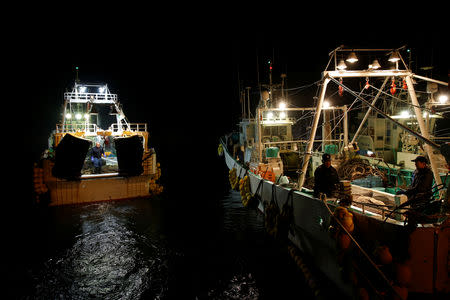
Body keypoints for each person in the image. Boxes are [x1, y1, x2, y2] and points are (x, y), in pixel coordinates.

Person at [396, 156, 434, 227]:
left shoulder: (428, 173)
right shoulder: (417, 172)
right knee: (411, 214)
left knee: (416, 215)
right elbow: (413, 185)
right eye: (415, 163)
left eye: (417, 163)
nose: (415, 164)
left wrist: (405, 192)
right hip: (414, 198)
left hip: (422, 199)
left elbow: (420, 188)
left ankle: (415, 230)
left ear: (423, 163)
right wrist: (406, 191)